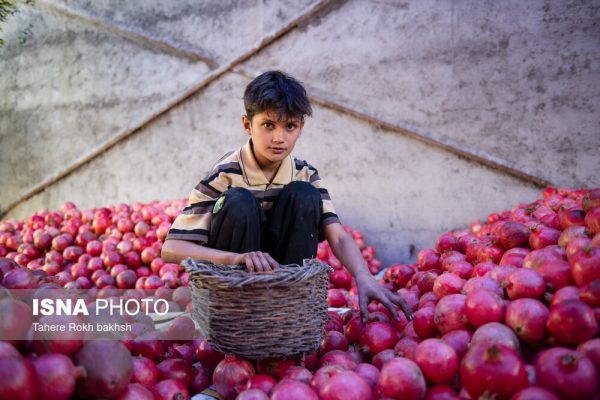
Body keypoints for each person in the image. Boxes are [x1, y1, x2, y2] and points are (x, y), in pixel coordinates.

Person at [161, 70, 412, 323]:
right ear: (248, 125)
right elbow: (171, 249)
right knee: (238, 200)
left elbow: (338, 236)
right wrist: (236, 259)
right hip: (235, 284)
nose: (279, 138)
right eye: (268, 125)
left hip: (284, 284)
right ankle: (238, 314)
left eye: (289, 126)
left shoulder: (305, 174)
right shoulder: (224, 174)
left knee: (304, 195)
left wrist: (363, 276)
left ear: (300, 128)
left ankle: (288, 311)